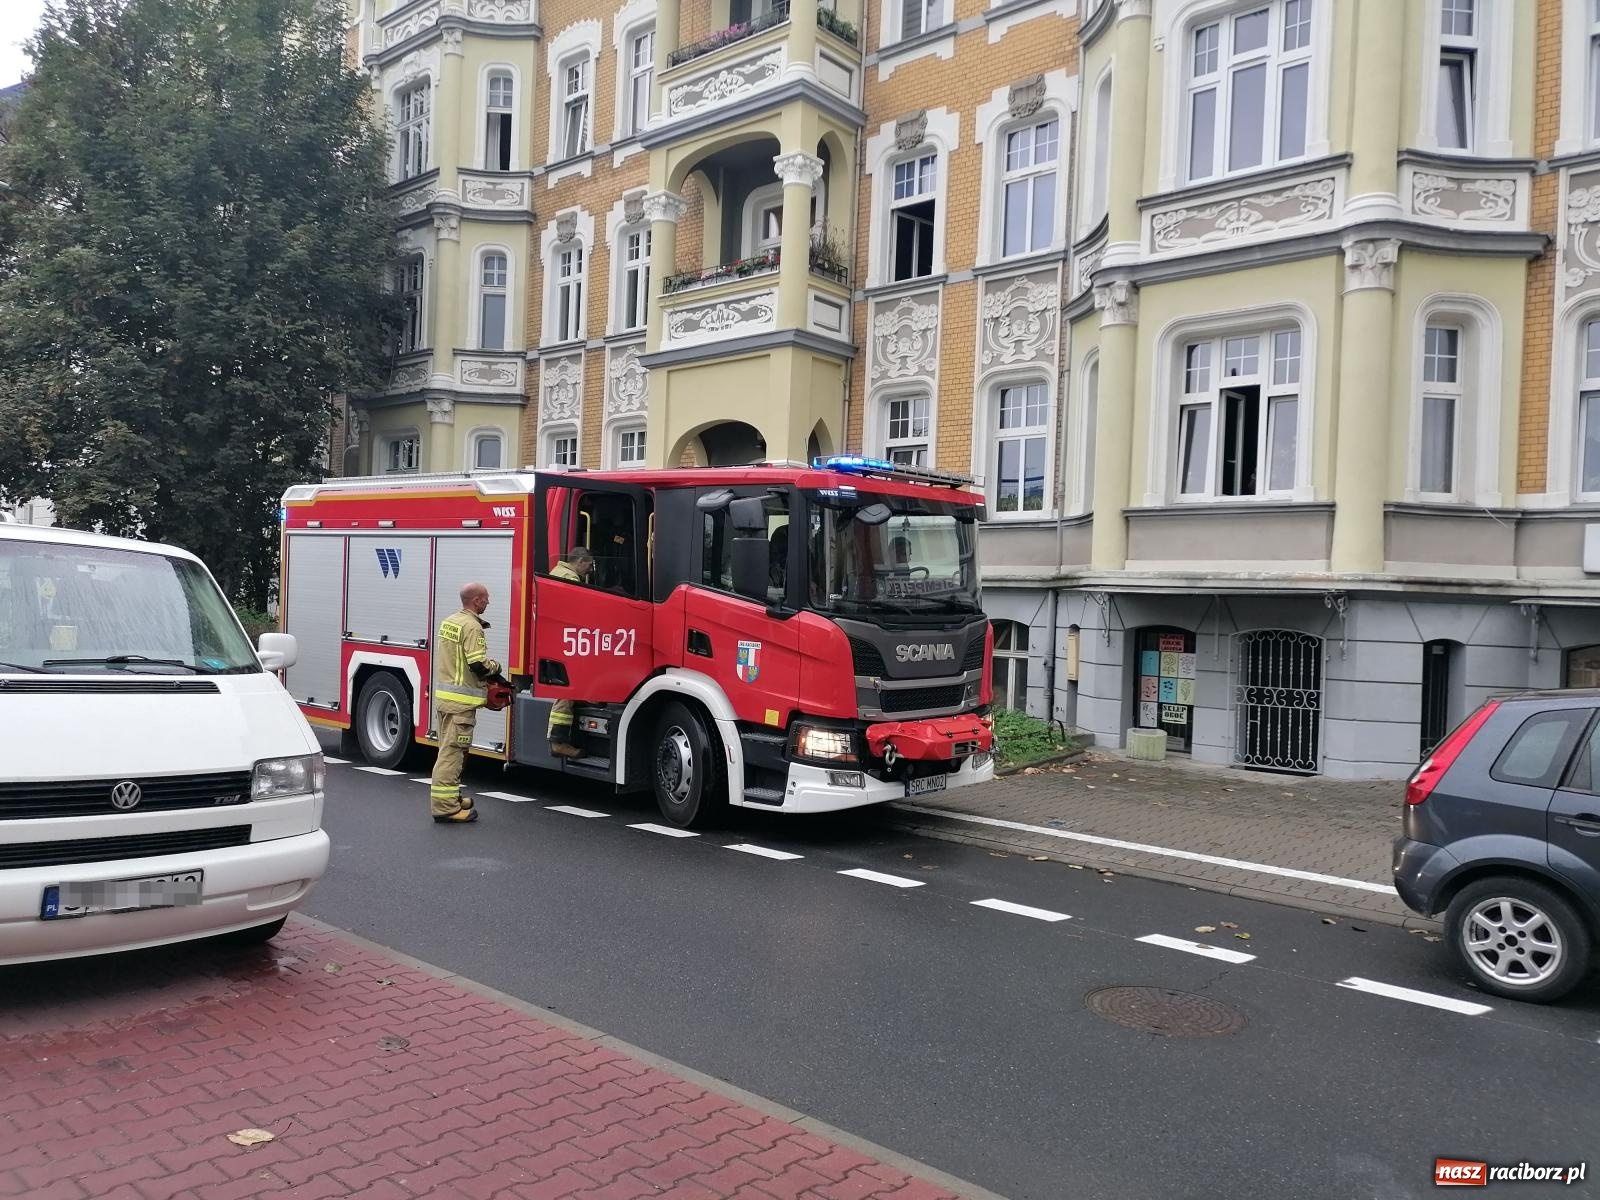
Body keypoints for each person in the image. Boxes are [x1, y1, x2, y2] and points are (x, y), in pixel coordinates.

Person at [429, 582, 501, 824]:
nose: (488, 602)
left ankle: (453, 798)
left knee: (451, 752)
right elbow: (477, 664)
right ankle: (445, 808)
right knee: (452, 755)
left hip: (447, 701)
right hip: (460, 705)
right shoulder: (472, 627)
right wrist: (497, 668)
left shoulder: (451, 621)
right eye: (486, 598)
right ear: (476, 600)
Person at [547, 546, 596, 759]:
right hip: (565, 641)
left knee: (569, 689)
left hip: (554, 637)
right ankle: (558, 742)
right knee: (565, 691)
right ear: (580, 561)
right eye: (589, 565)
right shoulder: (570, 578)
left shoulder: (555, 573)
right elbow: (579, 613)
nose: (590, 570)